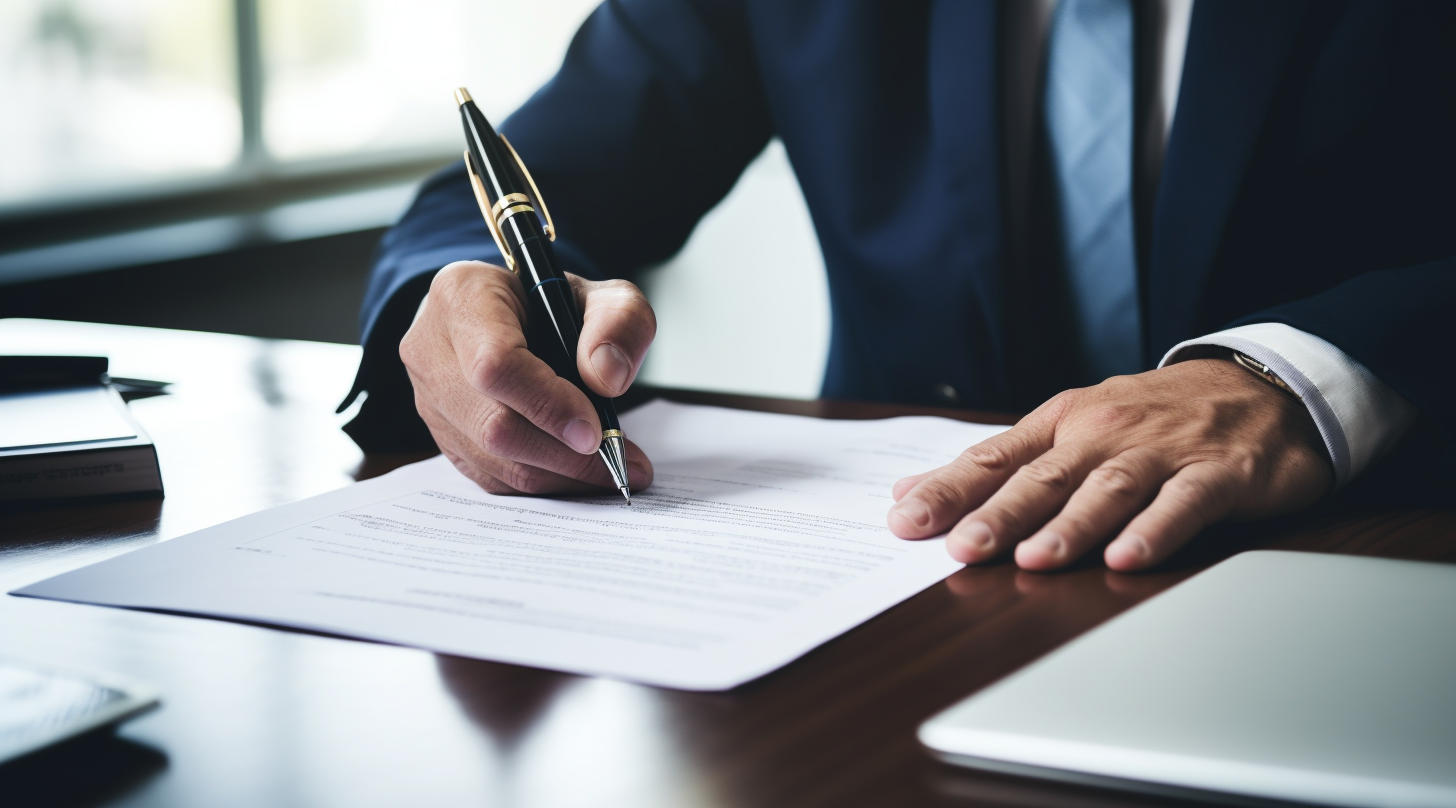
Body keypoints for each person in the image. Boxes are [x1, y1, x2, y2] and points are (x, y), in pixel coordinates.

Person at [339, 0, 1454, 572]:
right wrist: (459, 303)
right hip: (896, 583)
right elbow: (515, 188)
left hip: (1358, 553)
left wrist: (1303, 378)